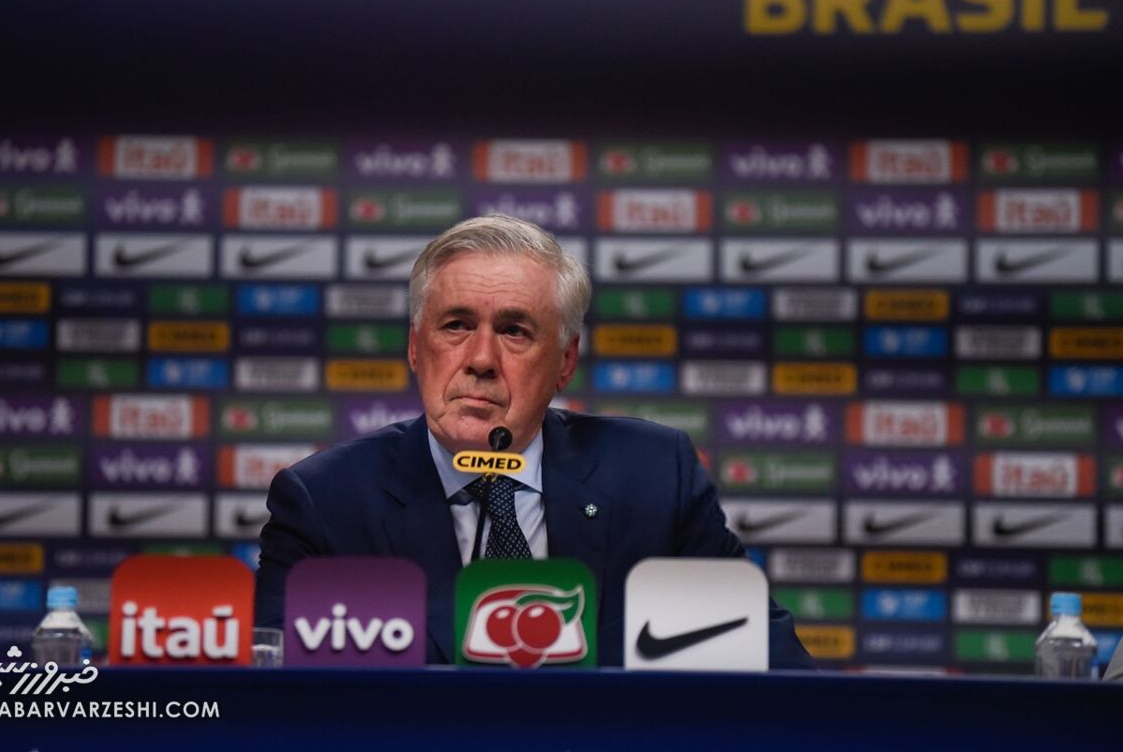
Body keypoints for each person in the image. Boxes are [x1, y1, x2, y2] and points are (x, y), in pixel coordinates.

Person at [255, 214, 814, 668]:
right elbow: (275, 705)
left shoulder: (654, 480)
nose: (480, 359)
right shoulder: (325, 503)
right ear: (415, 348)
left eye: (514, 331)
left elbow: (775, 677)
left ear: (566, 361)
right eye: (456, 325)